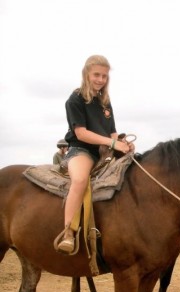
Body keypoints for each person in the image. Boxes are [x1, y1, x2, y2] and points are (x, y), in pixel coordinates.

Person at [57, 55, 134, 253]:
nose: (101, 79)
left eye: (104, 76)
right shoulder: (75, 99)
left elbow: (112, 132)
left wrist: (122, 143)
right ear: (86, 74)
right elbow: (81, 133)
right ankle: (68, 232)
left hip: (104, 151)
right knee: (81, 180)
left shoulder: (105, 102)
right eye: (96, 75)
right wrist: (112, 142)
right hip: (82, 150)